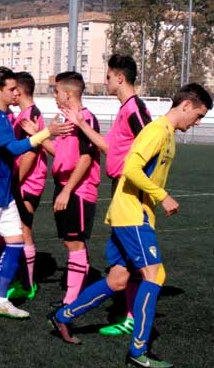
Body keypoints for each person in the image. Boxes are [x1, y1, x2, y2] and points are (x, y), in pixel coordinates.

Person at [49, 83, 213, 368]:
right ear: (186, 106)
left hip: (134, 213)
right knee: (155, 274)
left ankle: (63, 316)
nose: (197, 122)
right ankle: (138, 349)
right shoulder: (156, 131)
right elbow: (131, 169)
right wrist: (163, 197)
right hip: (132, 214)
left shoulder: (168, 134)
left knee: (118, 280)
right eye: (198, 115)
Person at [0, 66, 71, 319]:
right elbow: (15, 148)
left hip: (2, 194)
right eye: (11, 88)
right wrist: (46, 133)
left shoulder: (2, 116)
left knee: (16, 243)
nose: (16, 91)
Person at [63, 54, 152, 336]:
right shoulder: (124, 109)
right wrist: (82, 125)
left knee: (137, 263)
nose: (105, 81)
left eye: (108, 76)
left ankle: (130, 319)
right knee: (122, 261)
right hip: (120, 193)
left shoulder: (135, 107)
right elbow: (110, 150)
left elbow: (150, 142)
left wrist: (143, 185)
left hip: (132, 194)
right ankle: (123, 315)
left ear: (120, 78)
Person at [51, 71, 101, 307]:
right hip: (64, 187)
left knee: (75, 242)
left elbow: (86, 159)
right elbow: (62, 153)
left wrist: (67, 190)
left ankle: (71, 300)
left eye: (56, 91)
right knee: (70, 241)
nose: (54, 95)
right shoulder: (64, 119)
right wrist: (38, 137)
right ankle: (84, 284)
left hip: (78, 191)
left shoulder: (85, 119)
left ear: (68, 93)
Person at [8, 71, 54, 300]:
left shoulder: (32, 115)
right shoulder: (23, 115)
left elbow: (31, 153)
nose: (10, 92)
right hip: (23, 180)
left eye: (12, 88)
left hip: (28, 182)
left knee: (24, 231)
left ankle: (28, 283)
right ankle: (21, 277)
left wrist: (15, 181)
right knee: (16, 230)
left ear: (19, 90)